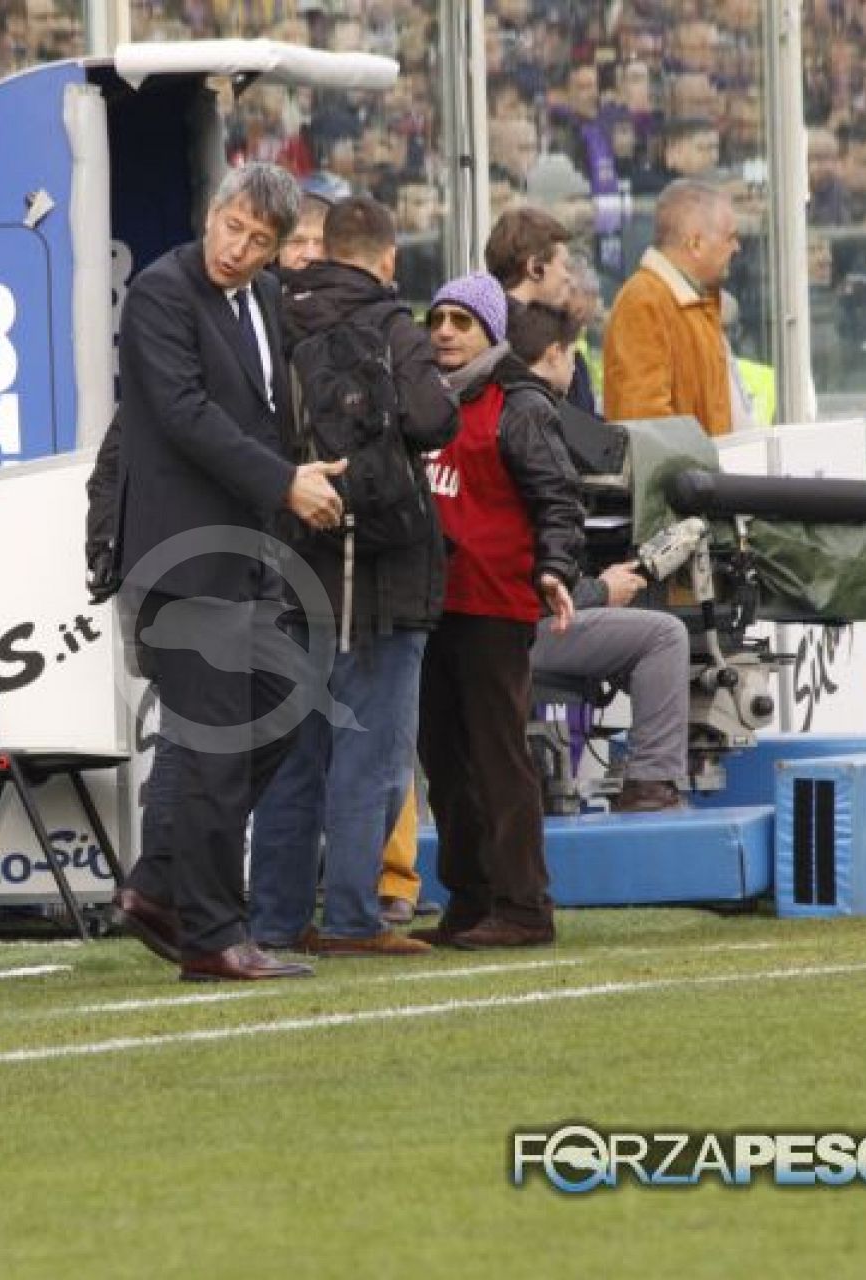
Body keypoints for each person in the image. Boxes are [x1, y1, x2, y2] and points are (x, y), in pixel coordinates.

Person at [109, 162, 346, 982]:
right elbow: (187, 416)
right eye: (232, 226)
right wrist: (284, 483)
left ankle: (160, 883)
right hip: (181, 557)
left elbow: (265, 412)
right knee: (215, 748)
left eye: (258, 239)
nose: (238, 248)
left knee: (282, 711)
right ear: (211, 215)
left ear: (278, 249)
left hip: (244, 558)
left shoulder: (266, 300)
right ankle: (211, 936)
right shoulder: (159, 293)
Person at [248, 194, 458, 956]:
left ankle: (276, 918)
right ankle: (352, 918)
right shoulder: (392, 324)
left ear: (323, 248)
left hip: (294, 559)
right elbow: (434, 420)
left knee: (293, 757)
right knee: (371, 755)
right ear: (388, 257)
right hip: (383, 573)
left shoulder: (275, 322)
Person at [414, 273, 583, 949]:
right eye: (437, 319)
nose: (445, 332)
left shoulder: (519, 404)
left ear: (490, 332)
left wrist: (555, 568)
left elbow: (558, 498)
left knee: (498, 759)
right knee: (444, 762)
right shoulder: (423, 400)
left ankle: (524, 905)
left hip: (494, 603)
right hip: (432, 604)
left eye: (461, 321)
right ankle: (470, 898)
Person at [508, 301, 690, 812]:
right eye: (574, 357)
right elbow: (534, 579)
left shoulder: (490, 411)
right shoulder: (532, 419)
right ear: (554, 354)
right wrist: (602, 590)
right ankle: (651, 785)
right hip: (512, 632)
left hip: (489, 625)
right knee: (664, 635)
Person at [602, 178, 739, 435]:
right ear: (695, 243)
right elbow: (646, 426)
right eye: (730, 237)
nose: (736, 247)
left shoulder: (696, 303)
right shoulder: (644, 303)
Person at [484, 205, 598, 416]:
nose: (568, 278)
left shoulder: (479, 330)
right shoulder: (536, 342)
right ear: (535, 268)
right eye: (563, 265)